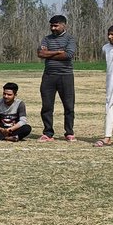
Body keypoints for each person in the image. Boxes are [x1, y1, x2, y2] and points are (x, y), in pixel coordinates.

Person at [38, 14, 77, 142]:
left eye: (56, 25)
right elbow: (40, 53)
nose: (53, 28)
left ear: (63, 25)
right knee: (47, 106)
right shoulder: (46, 39)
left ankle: (69, 132)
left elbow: (68, 55)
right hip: (49, 76)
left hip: (65, 76)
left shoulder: (70, 39)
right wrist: (58, 52)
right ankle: (48, 133)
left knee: (69, 106)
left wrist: (49, 54)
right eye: (51, 26)